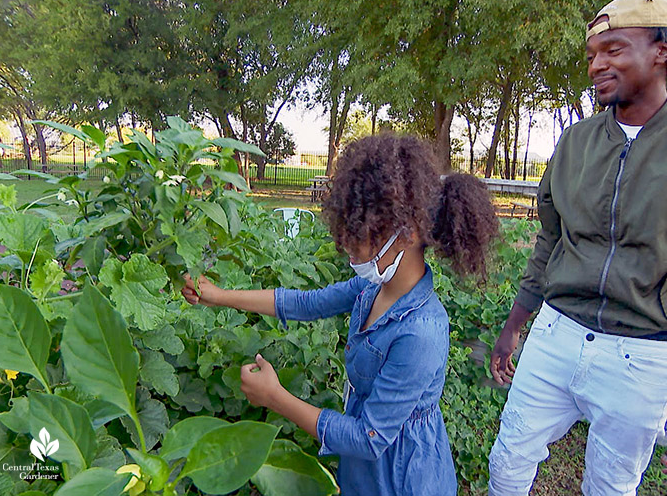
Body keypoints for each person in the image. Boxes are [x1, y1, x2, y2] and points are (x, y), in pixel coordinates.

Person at [487, 0, 667, 496]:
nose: (597, 65)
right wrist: (515, 326)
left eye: (614, 49)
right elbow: (550, 242)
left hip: (641, 357)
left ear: (662, 50)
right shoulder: (575, 141)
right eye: (593, 54)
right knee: (507, 462)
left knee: (611, 486)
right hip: (555, 336)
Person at [183, 134, 499, 496]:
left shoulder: (421, 332)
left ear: (408, 235)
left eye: (361, 234)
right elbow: (305, 303)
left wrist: (275, 397)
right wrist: (219, 296)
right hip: (362, 475)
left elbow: (369, 437)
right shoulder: (371, 289)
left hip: (402, 481)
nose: (349, 244)